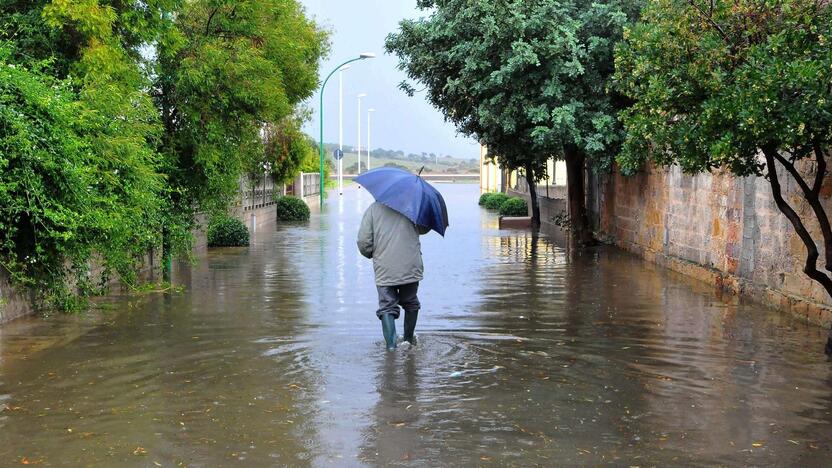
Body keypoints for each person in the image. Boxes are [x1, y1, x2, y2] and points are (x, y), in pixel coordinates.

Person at [357, 202, 430, 350]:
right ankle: (409, 341)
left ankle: (391, 348)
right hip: (410, 265)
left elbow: (363, 242)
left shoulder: (372, 210)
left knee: (387, 306)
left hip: (384, 267)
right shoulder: (412, 207)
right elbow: (424, 228)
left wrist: (374, 254)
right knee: (410, 302)